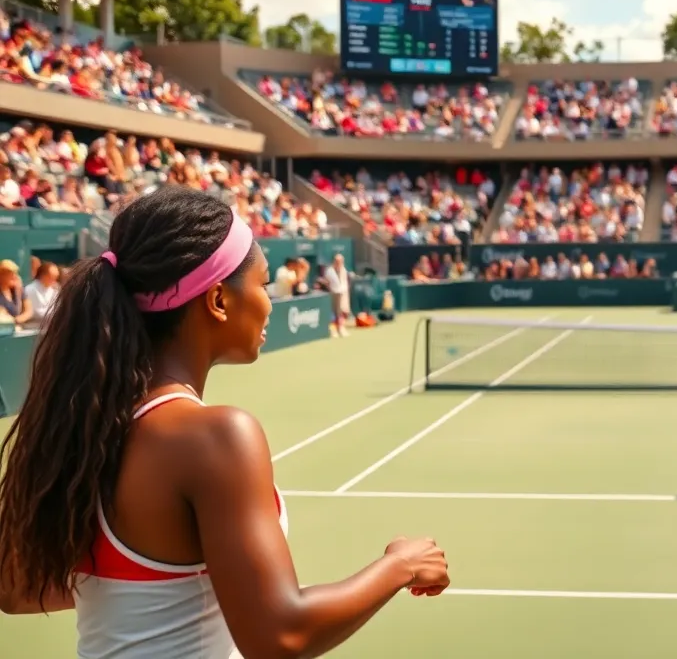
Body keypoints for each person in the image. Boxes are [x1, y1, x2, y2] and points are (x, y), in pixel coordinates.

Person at [0, 185, 450, 657]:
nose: (270, 301)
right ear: (217, 300)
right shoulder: (215, 437)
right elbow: (281, 635)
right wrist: (401, 564)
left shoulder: (89, 423)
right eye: (261, 283)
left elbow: (17, 588)